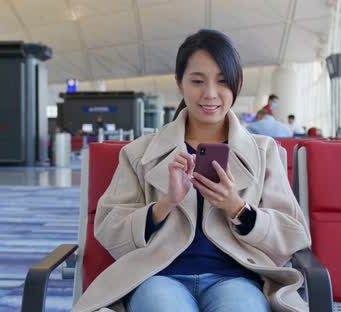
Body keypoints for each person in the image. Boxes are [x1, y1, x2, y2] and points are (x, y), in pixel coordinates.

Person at [73, 30, 310, 312]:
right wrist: (165, 204)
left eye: (222, 82)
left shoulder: (264, 153)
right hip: (158, 276)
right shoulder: (139, 153)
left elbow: (292, 236)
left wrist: (237, 208)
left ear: (237, 85)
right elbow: (110, 230)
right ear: (179, 84)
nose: (210, 94)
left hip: (237, 279)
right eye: (197, 81)